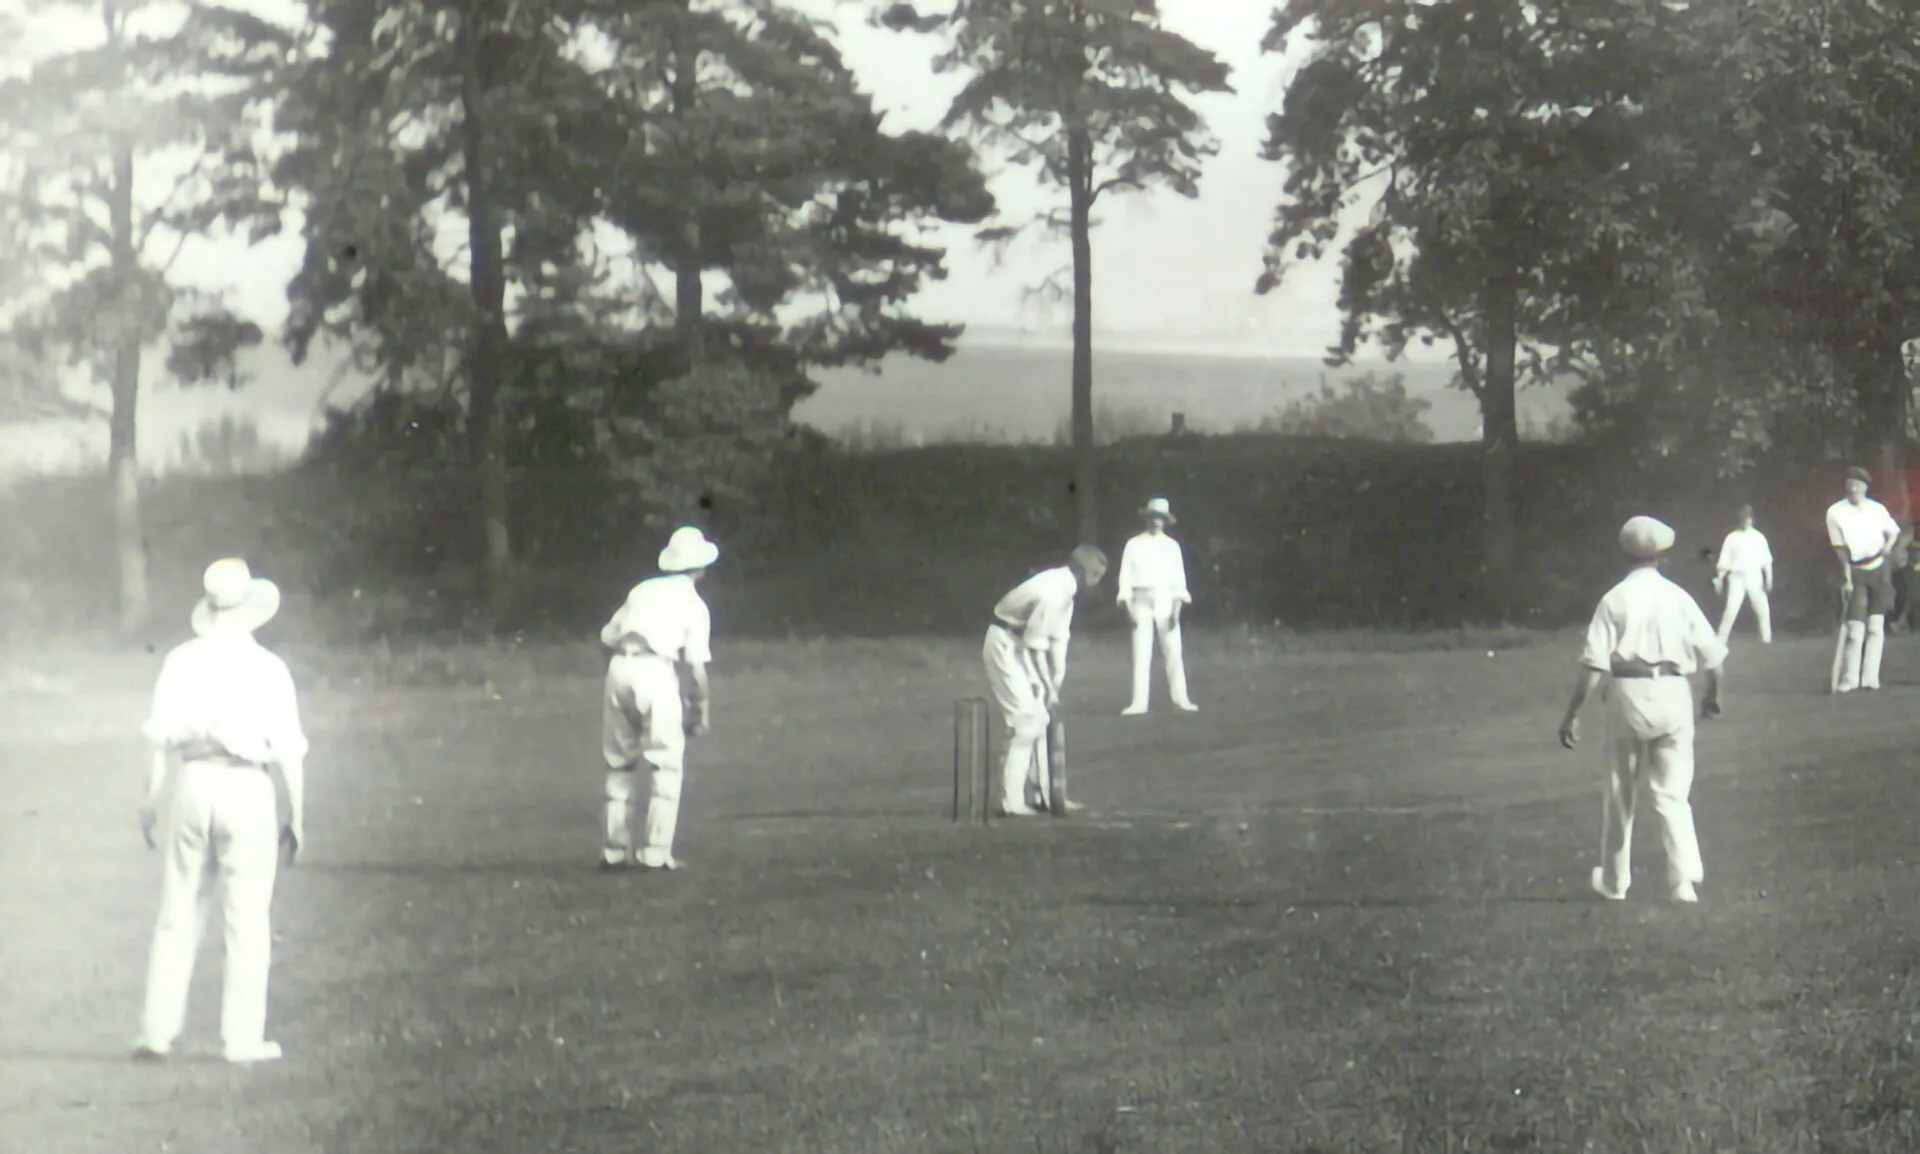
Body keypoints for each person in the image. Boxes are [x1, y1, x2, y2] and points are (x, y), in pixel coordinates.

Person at [134, 558, 308, 1064]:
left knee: (178, 911)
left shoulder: (181, 660)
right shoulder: (268, 668)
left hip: (193, 781)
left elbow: (159, 741)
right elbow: (289, 751)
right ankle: (241, 1038)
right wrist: (297, 815)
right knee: (246, 917)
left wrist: (148, 801)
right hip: (247, 786)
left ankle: (157, 1030)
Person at [1558, 516, 1725, 905]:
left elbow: (1595, 665)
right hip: (1673, 690)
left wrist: (1573, 714)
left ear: (1625, 555)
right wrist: (1712, 696)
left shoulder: (1614, 599)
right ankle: (1683, 882)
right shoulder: (1679, 597)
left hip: (1627, 692)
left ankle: (1616, 882)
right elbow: (1714, 659)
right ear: (1662, 557)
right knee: (1672, 793)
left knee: (1620, 791)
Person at [598, 526, 717, 871]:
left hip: (620, 666)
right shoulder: (694, 605)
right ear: (700, 568)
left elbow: (606, 637)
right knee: (665, 764)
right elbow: (695, 670)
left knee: (618, 763)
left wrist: (616, 674)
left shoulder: (643, 590)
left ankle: (613, 851)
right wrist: (701, 711)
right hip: (656, 672)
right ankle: (655, 852)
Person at [983, 545, 1107, 817]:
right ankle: (1010, 802)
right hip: (1004, 642)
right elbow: (1035, 644)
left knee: (1041, 717)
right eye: (1095, 575)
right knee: (1026, 720)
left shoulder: (1066, 589)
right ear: (1081, 571)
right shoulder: (1053, 591)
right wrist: (1047, 685)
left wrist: (1056, 681)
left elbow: (1058, 638)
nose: (1097, 582)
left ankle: (1048, 796)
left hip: (1020, 644)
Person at [1117, 497, 1198, 715]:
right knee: (1141, 652)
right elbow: (1125, 578)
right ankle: (1138, 702)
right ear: (1146, 518)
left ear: (1165, 521)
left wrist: (1176, 610)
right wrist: (1128, 607)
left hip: (1165, 599)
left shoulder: (1172, 546)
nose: (1156, 522)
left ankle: (1181, 699)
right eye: (1153, 517)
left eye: (1160, 518)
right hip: (1140, 600)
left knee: (1173, 650)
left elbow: (1179, 582)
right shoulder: (1133, 544)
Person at [1826, 465, 1902, 692]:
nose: (1854, 489)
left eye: (1858, 486)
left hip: (1879, 569)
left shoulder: (1877, 509)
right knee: (1855, 627)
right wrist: (1847, 578)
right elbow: (1840, 550)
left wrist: (1888, 547)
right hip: (1856, 570)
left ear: (1866, 487)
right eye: (1850, 485)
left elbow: (1894, 531)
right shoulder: (1835, 512)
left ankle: (1870, 678)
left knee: (1876, 626)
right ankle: (1850, 679)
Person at [1712, 503, 1773, 645]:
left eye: (1748, 518)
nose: (1746, 521)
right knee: (1731, 610)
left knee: (1763, 610)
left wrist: (1769, 579)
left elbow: (1766, 560)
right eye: (1744, 518)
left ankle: (1766, 640)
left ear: (1752, 519)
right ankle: (1720, 640)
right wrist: (1720, 579)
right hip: (1737, 577)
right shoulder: (1732, 538)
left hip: (1754, 576)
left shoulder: (1759, 537)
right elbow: (1725, 561)